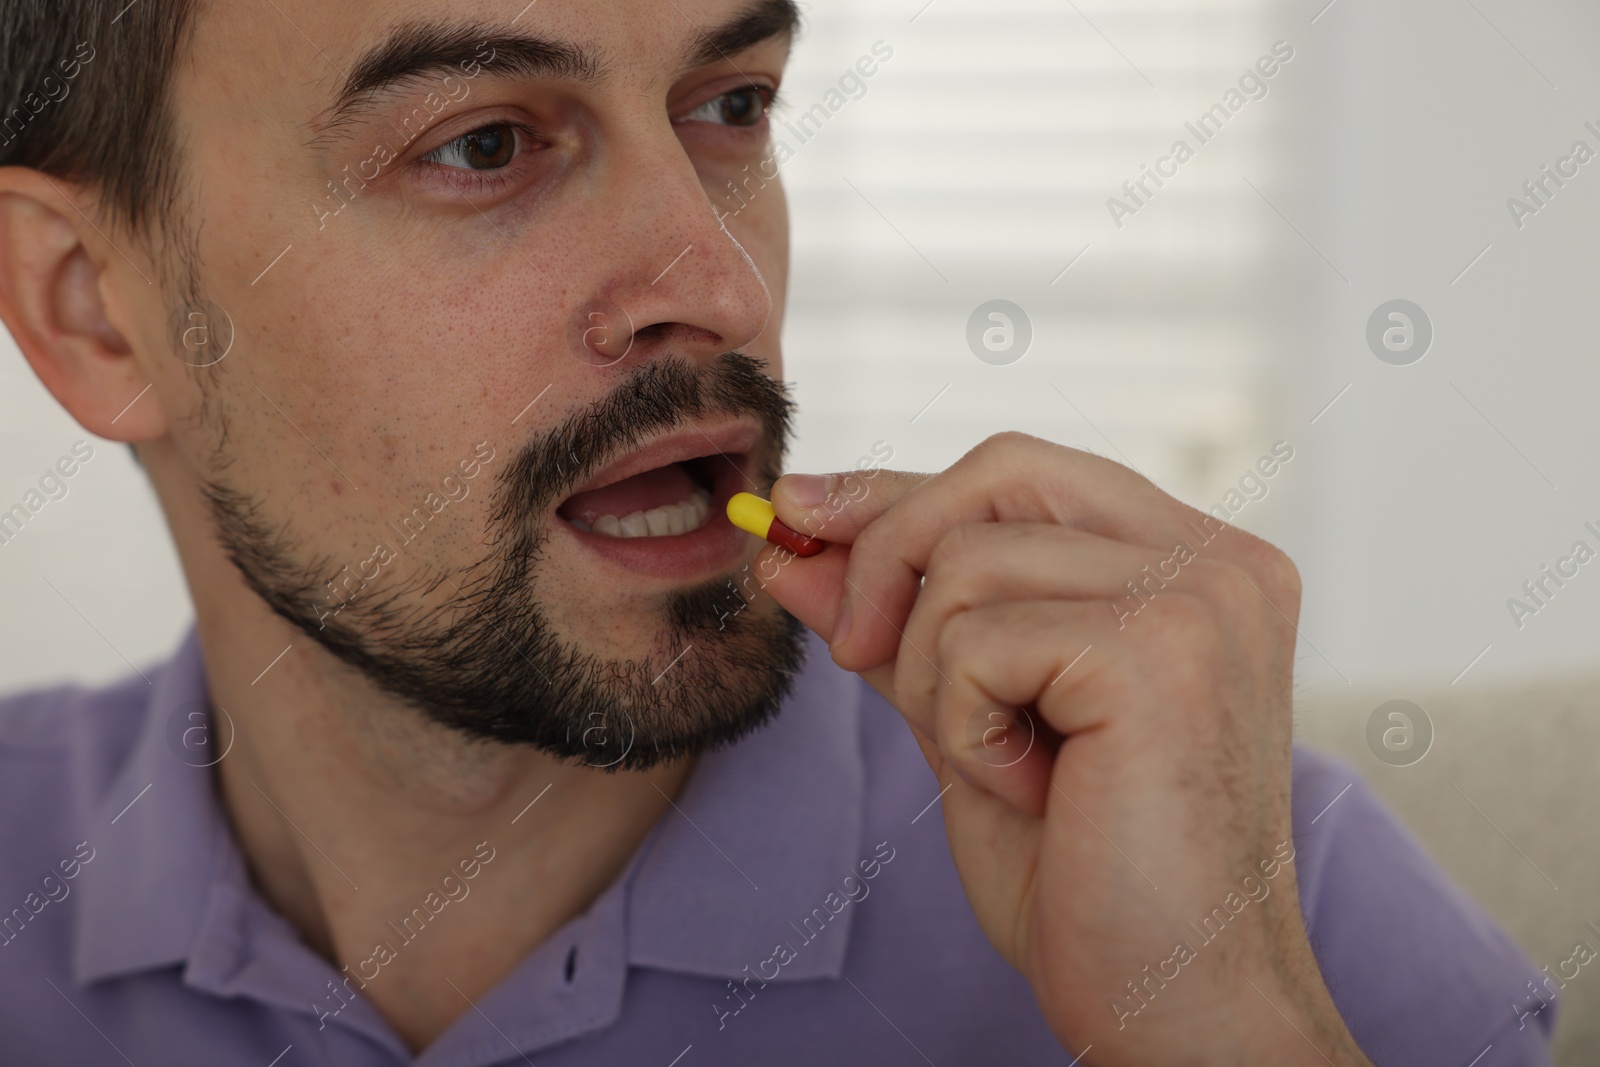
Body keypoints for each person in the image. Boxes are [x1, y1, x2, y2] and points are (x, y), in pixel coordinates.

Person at [0, 1, 1554, 1064]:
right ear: (94, 312)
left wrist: (1218, 1019)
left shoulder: (1254, 889)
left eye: (730, 106)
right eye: (483, 144)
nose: (722, 285)